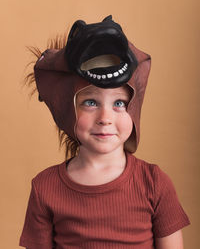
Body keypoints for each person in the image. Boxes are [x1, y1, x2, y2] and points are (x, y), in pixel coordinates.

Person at [19, 15, 190, 249]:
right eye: (90, 102)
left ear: (134, 109)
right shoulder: (45, 188)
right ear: (68, 110)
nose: (105, 118)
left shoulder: (155, 183)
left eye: (119, 103)